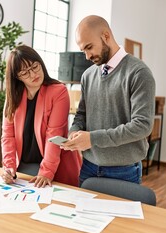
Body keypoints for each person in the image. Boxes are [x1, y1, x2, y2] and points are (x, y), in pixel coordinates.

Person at [61, 15, 156, 186]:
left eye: (89, 47)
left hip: (124, 171)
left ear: (106, 36)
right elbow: (81, 114)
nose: (87, 56)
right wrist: (74, 133)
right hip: (89, 167)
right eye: (83, 50)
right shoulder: (88, 76)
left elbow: (143, 126)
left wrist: (92, 139)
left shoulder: (139, 73)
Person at [1, 45, 81, 187]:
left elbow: (53, 135)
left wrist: (46, 172)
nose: (33, 74)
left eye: (34, 67)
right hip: (26, 170)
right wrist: (9, 167)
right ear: (17, 77)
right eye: (25, 73)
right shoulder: (13, 97)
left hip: (57, 169)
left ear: (40, 62)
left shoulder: (58, 92)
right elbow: (8, 136)